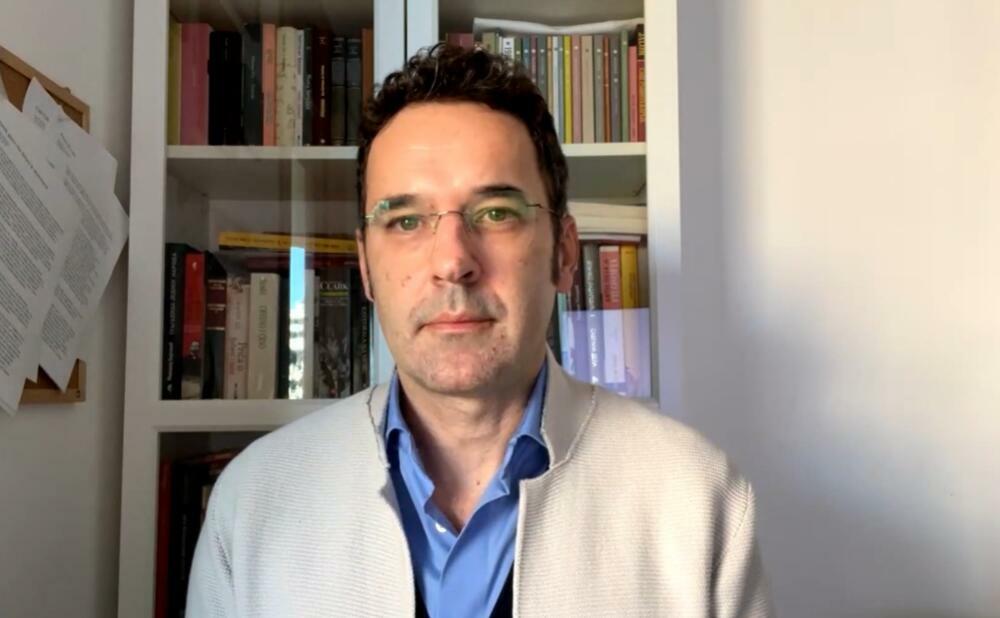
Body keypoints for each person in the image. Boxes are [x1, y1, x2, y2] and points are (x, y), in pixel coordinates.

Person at [187, 43, 773, 617]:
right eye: (406, 221)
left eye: (496, 214)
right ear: (366, 268)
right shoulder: (252, 502)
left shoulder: (697, 498)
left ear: (564, 253)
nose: (452, 261)